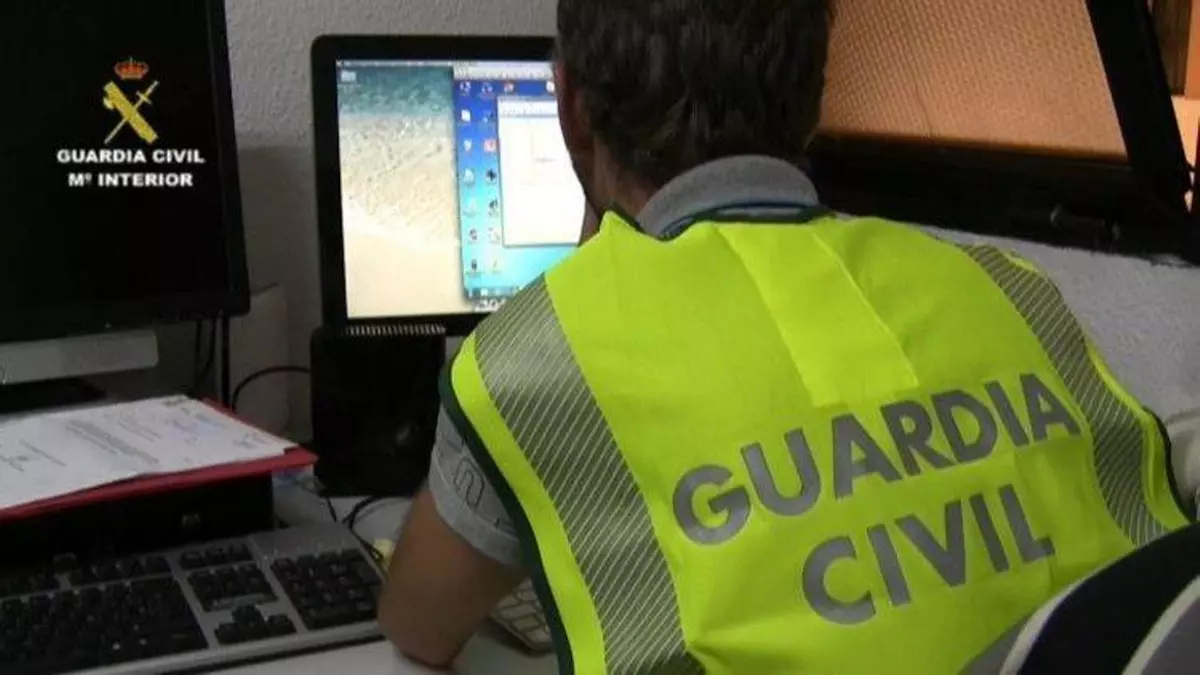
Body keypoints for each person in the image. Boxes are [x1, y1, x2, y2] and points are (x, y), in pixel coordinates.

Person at [376, 0, 1195, 672]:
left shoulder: (538, 356)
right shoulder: (1009, 290)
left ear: (569, 109)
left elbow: (418, 624)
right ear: (813, 99)